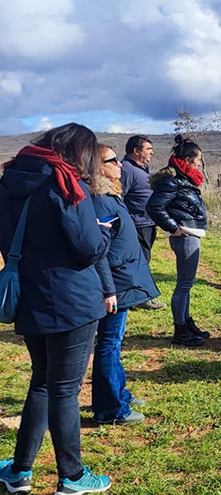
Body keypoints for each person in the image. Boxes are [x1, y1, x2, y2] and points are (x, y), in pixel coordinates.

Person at [0, 123, 112, 494]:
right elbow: (86, 247)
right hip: (72, 302)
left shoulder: (10, 180)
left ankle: (19, 471)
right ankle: (73, 477)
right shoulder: (64, 184)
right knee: (64, 390)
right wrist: (103, 233)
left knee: (42, 383)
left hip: (30, 297)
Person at [90, 144, 160, 425]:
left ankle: (119, 394)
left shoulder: (110, 196)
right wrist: (109, 289)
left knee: (114, 342)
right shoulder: (98, 201)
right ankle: (110, 409)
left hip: (122, 279)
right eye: (113, 160)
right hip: (115, 283)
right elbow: (99, 253)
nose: (120, 164)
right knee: (108, 343)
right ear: (98, 167)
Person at [146, 135, 210, 347]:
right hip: (185, 237)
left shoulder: (183, 179)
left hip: (190, 235)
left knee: (186, 285)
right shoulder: (173, 182)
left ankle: (187, 322)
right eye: (198, 159)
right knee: (183, 285)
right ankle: (180, 332)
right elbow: (154, 207)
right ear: (189, 160)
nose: (200, 163)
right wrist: (174, 228)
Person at [120, 134, 165, 310]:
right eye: (148, 149)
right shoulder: (126, 169)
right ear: (136, 151)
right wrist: (127, 222)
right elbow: (119, 197)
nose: (152, 152)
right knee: (140, 261)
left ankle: (137, 295)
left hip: (148, 222)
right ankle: (140, 297)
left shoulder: (143, 168)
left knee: (144, 259)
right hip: (136, 224)